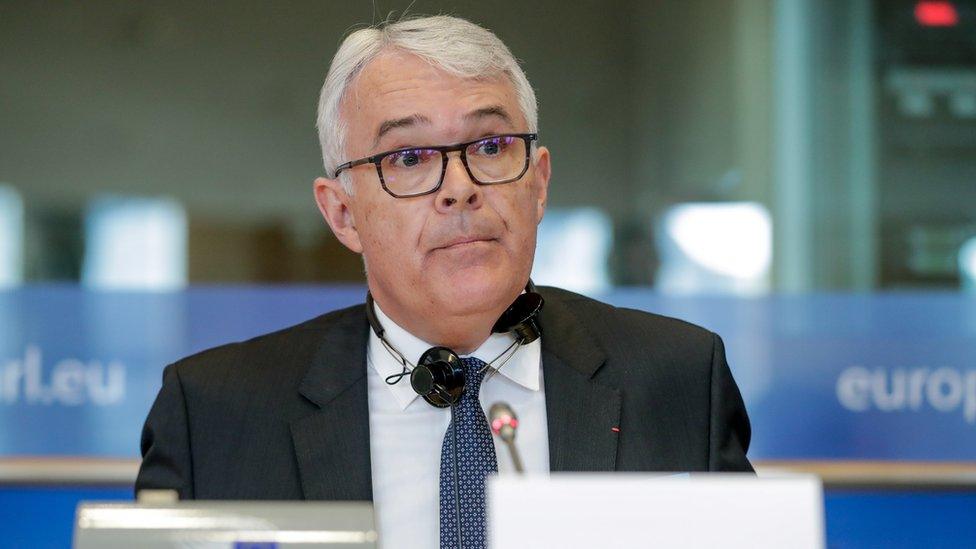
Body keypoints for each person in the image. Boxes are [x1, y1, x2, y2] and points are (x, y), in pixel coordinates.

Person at [136, 14, 752, 549]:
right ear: (342, 213)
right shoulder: (216, 413)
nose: (460, 188)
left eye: (489, 145)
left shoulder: (677, 379)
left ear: (537, 183)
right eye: (409, 158)